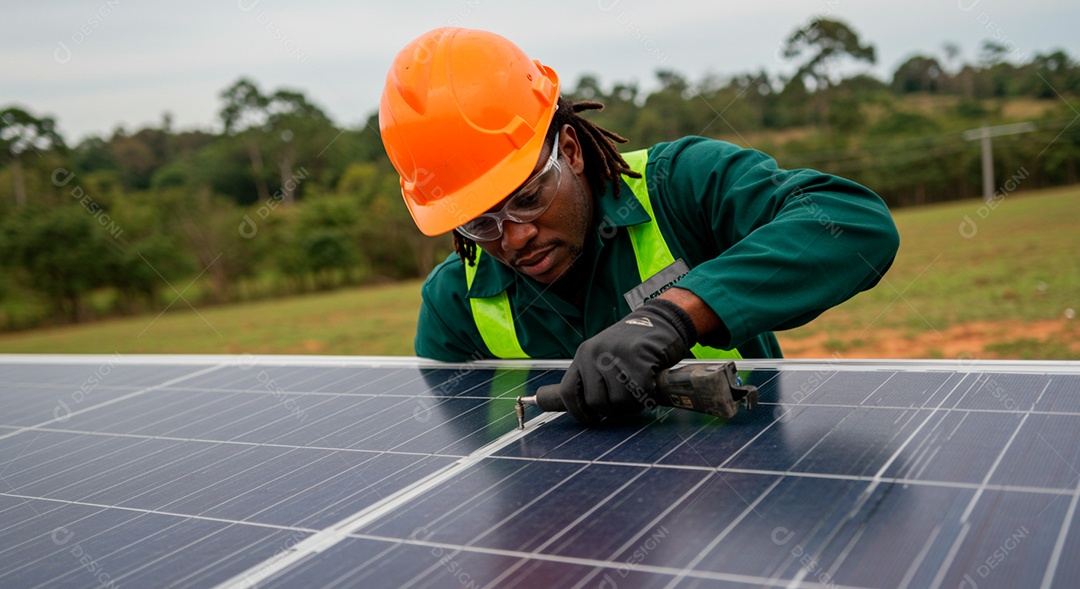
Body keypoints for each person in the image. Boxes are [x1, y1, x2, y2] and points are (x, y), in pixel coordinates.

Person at [379, 28, 900, 425]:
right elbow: (475, 466)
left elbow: (855, 225)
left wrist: (677, 315)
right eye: (479, 223)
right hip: (562, 537)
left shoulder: (682, 187)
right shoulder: (454, 304)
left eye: (529, 198)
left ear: (570, 151)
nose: (513, 238)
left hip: (742, 512)